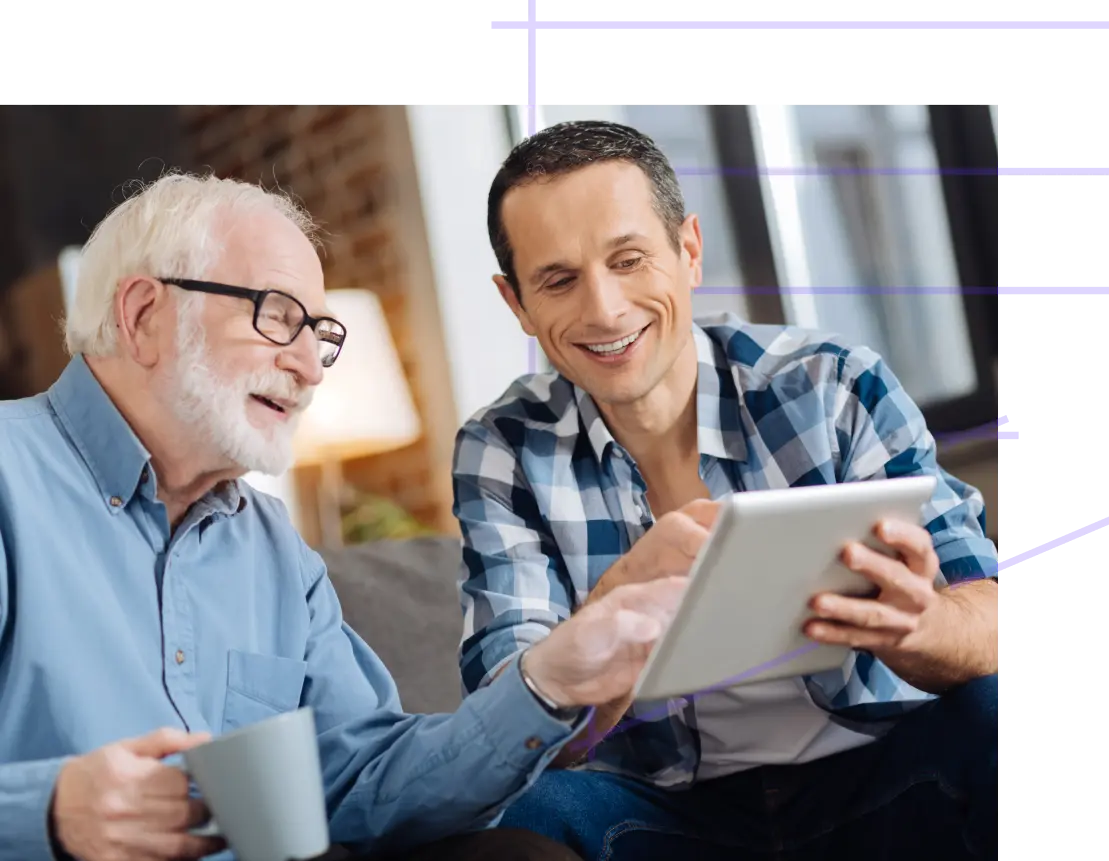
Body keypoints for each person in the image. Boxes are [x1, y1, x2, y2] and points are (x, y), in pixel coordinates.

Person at [0, 171, 694, 861]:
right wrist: (51, 811)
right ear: (144, 314)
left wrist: (550, 679)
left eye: (320, 332)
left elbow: (367, 781)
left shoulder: (272, 550)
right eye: (277, 315)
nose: (310, 365)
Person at [454, 121, 1000, 860]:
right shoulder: (503, 448)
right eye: (558, 279)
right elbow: (507, 734)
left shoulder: (831, 382)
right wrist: (611, 614)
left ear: (689, 251)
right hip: (668, 818)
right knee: (522, 813)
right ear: (516, 302)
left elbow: (988, 613)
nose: (605, 308)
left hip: (887, 775)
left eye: (629, 259)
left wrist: (921, 626)